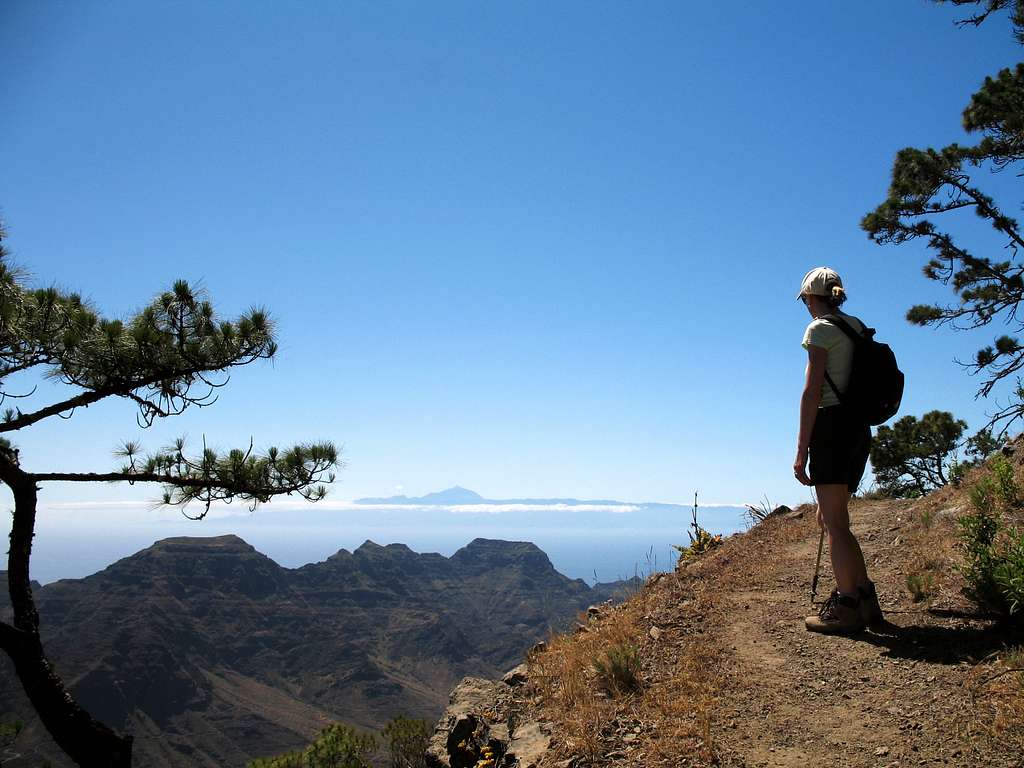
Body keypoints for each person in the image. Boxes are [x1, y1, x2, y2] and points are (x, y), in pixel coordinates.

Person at [793, 267, 883, 634]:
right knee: (837, 522)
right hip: (859, 430)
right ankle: (865, 600)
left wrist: (801, 450)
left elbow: (812, 391)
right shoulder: (857, 327)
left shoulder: (819, 329)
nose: (806, 308)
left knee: (835, 525)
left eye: (805, 301)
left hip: (831, 429)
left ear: (812, 298)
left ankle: (846, 607)